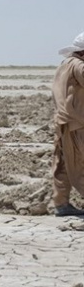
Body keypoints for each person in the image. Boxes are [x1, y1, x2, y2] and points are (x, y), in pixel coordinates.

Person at [51, 31, 84, 217]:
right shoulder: (79, 66)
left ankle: (61, 203)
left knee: (62, 164)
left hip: (63, 123)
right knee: (80, 164)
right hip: (77, 125)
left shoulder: (64, 65)